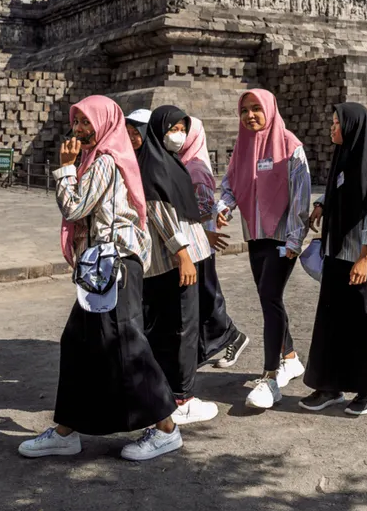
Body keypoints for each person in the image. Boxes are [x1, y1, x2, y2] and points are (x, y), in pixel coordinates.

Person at [17, 95, 183, 462]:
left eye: (85, 123)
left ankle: (167, 428)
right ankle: (67, 430)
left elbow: (75, 207)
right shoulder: (99, 159)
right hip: (103, 265)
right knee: (79, 342)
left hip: (117, 264)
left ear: (105, 123)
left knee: (127, 344)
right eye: (75, 122)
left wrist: (64, 168)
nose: (78, 130)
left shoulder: (106, 161)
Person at [215, 89, 311, 409]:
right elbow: (232, 184)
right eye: (245, 110)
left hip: (283, 238)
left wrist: (296, 241)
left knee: (270, 297)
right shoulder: (243, 147)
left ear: (270, 109)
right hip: (255, 236)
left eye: (257, 109)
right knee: (268, 297)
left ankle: (270, 378)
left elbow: (301, 197)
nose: (250, 115)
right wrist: (223, 206)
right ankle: (291, 357)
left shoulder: (290, 147)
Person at [125, 106, 220, 427]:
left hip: (174, 259)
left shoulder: (164, 162)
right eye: (172, 128)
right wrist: (183, 255)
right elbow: (161, 213)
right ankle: (181, 399)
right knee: (181, 328)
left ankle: (167, 391)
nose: (177, 135)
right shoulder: (153, 165)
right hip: (175, 261)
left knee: (172, 327)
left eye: (182, 128)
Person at [301, 103, 367, 416]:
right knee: (332, 322)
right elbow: (338, 189)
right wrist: (321, 205)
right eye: (332, 123)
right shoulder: (344, 157)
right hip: (338, 252)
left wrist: (365, 256)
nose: (332, 128)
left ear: (352, 127)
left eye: (336, 123)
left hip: (364, 258)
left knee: (365, 323)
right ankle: (330, 385)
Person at [173, 113, 249, 369]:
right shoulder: (183, 163)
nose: (177, 135)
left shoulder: (196, 168)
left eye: (182, 130)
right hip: (193, 242)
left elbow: (205, 209)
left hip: (200, 245)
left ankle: (232, 337)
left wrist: (206, 230)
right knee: (201, 299)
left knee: (206, 298)